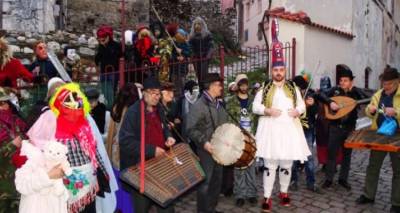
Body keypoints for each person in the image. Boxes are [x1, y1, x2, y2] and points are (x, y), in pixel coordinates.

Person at [252, 18, 311, 212]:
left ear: (285, 70)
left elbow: (302, 106)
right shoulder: (265, 87)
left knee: (287, 164)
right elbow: (255, 107)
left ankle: (284, 192)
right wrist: (267, 110)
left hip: (289, 131)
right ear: (272, 70)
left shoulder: (293, 87)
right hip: (270, 131)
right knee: (270, 166)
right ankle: (267, 196)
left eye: (281, 69)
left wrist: (298, 110)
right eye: (275, 70)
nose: (278, 72)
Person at [27, 83, 111, 212]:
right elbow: (36, 143)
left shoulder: (84, 123)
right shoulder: (50, 120)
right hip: (62, 185)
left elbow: (92, 149)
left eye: (77, 104)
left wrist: (102, 173)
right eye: (68, 104)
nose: (74, 108)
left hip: (88, 181)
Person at [119, 78, 176, 213]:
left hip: (160, 165)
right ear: (144, 93)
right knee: (142, 207)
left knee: (167, 205)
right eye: (153, 93)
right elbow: (125, 141)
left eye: (158, 94)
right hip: (140, 169)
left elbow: (164, 127)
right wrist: (152, 150)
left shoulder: (159, 109)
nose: (157, 97)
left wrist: (168, 136)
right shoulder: (134, 112)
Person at [356, 68, 400, 213]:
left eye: (388, 84)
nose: (385, 87)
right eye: (384, 84)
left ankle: (396, 203)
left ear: (396, 82)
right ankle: (369, 195)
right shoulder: (379, 94)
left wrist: (396, 112)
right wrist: (371, 110)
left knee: (398, 170)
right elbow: (369, 109)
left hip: (397, 137)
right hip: (379, 134)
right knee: (373, 166)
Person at [319, 66, 368, 190]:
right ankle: (329, 179)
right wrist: (330, 102)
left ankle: (343, 179)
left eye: (345, 81)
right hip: (335, 127)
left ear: (351, 81)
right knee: (332, 153)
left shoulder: (356, 92)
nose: (342, 83)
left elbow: (367, 100)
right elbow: (320, 95)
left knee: (347, 155)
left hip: (349, 128)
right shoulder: (335, 90)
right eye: (341, 81)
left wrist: (355, 94)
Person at [186, 73, 228, 213]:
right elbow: (191, 129)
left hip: (219, 149)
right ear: (210, 86)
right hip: (206, 150)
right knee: (205, 183)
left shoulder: (218, 104)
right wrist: (204, 143)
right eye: (218, 85)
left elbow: (224, 125)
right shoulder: (199, 105)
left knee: (217, 182)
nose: (221, 87)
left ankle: (211, 209)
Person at [106, 83, 140, 213]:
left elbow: (111, 133)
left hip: (115, 150)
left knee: (118, 183)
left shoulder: (116, 108)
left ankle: (119, 207)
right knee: (129, 185)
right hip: (127, 152)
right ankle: (128, 209)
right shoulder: (134, 110)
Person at [226, 74, 257, 207]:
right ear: (238, 85)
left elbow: (258, 119)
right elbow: (228, 120)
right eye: (242, 84)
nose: (244, 86)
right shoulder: (231, 101)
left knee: (251, 167)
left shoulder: (254, 100)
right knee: (239, 168)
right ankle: (240, 195)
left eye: (246, 84)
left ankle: (251, 194)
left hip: (251, 138)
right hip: (237, 138)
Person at [0, 87, 28, 212]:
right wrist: (12, 145)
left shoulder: (16, 120)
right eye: (2, 103)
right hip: (3, 188)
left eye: (6, 102)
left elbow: (28, 136)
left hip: (21, 182)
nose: (5, 106)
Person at [290, 75, 320, 192]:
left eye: (301, 88)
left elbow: (316, 112)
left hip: (308, 129)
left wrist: (312, 105)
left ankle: (311, 182)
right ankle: (293, 181)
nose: (299, 91)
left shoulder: (310, 95)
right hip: (294, 129)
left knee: (309, 157)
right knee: (293, 157)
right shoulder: (290, 97)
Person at [95, 25, 122, 107]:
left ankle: (111, 106)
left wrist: (104, 47)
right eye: (99, 38)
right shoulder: (101, 46)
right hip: (104, 72)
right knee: (104, 90)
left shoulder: (116, 45)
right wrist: (102, 47)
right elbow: (97, 59)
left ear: (108, 37)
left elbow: (117, 56)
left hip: (113, 72)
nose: (101, 39)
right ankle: (105, 106)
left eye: (103, 37)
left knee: (111, 91)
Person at [189, 17, 213, 83]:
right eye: (195, 24)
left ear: (202, 25)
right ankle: (201, 88)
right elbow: (190, 46)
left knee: (204, 74)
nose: (197, 26)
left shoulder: (207, 34)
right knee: (198, 75)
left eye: (199, 24)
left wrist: (208, 56)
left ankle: (204, 88)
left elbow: (211, 46)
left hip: (205, 57)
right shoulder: (192, 36)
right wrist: (192, 55)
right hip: (196, 58)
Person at [178, 80, 200, 152]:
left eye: (197, 88)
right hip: (186, 128)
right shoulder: (182, 99)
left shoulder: (199, 98)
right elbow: (179, 113)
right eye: (194, 88)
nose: (196, 90)